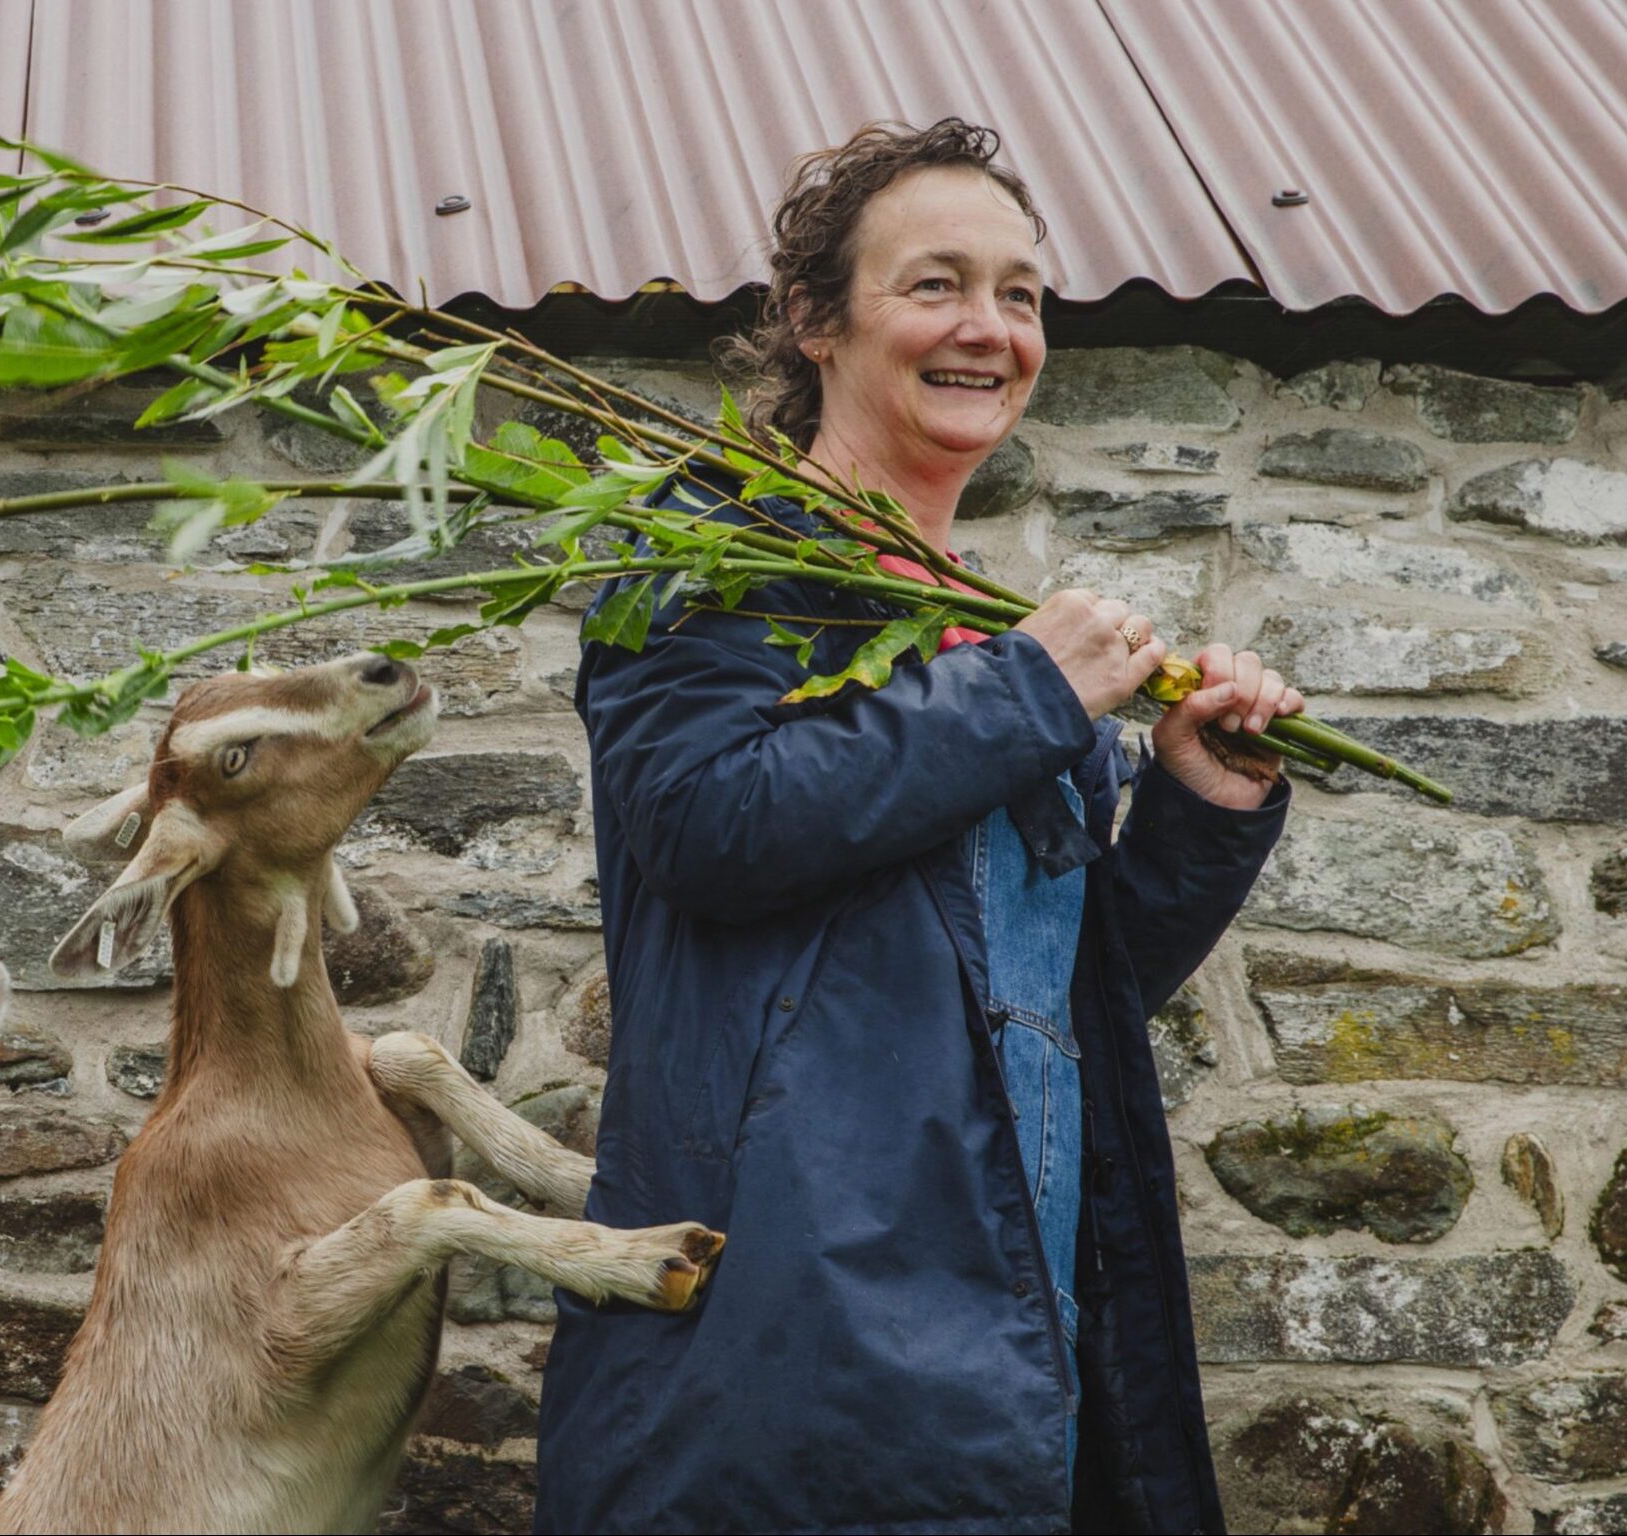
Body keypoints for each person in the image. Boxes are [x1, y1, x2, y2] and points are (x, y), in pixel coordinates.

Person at [534, 119, 1298, 1534]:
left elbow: (1058, 985)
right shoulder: (710, 550)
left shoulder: (984, 623)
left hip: (1023, 1326)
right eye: (935, 284)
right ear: (814, 322)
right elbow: (705, 826)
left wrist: (1202, 800)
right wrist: (1022, 694)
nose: (989, 328)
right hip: (788, 1346)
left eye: (1019, 293)